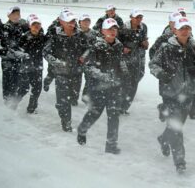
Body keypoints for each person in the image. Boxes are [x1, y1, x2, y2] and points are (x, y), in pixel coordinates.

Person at [150, 16, 195, 173]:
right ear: (175, 31)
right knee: (177, 129)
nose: (185, 31)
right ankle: (180, 161)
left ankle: (163, 138)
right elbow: (153, 64)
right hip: (170, 93)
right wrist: (162, 74)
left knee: (178, 124)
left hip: (189, 93)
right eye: (182, 28)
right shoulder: (166, 47)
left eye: (187, 28)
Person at [76, 18, 128, 154]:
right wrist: (103, 76)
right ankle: (82, 129)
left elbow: (121, 61)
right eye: (109, 29)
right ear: (103, 31)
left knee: (114, 116)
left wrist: (125, 73)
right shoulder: (97, 46)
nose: (112, 32)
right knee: (95, 113)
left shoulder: (118, 45)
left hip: (114, 87)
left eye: (114, 29)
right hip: (98, 88)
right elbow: (89, 67)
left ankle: (111, 144)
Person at [43, 10, 87, 131]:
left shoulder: (80, 35)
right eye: (68, 21)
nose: (71, 24)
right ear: (61, 22)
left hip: (76, 72)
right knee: (63, 101)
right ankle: (66, 121)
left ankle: (64, 107)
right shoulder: (55, 35)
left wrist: (84, 56)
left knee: (73, 97)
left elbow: (89, 49)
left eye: (73, 21)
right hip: (61, 73)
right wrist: (56, 62)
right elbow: (45, 52)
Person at [0, 5, 29, 106]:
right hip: (7, 60)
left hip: (19, 59)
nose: (17, 16)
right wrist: (3, 51)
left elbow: (35, 33)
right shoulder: (3, 27)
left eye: (18, 14)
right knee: (9, 83)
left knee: (22, 84)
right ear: (9, 15)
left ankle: (13, 102)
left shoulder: (22, 27)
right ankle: (8, 103)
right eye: (14, 14)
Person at [118, 9, 149, 113]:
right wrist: (122, 48)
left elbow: (143, 41)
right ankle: (118, 106)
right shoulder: (123, 28)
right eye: (137, 17)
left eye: (140, 17)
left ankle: (125, 107)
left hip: (137, 59)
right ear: (131, 17)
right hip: (124, 60)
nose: (139, 19)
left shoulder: (143, 27)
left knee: (134, 84)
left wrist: (145, 44)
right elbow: (115, 42)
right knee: (124, 83)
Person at [16, 13, 46, 114]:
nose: (36, 27)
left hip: (38, 67)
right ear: (29, 26)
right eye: (34, 25)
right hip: (25, 67)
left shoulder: (43, 37)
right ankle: (14, 102)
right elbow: (17, 51)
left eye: (38, 25)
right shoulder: (24, 37)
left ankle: (32, 107)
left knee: (37, 88)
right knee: (23, 88)